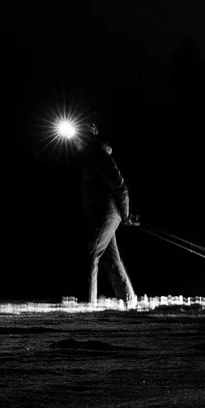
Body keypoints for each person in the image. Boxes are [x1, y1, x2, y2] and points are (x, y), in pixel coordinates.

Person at [74, 121, 139, 307]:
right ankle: (128, 300)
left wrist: (125, 215)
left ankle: (88, 305)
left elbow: (120, 187)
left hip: (105, 213)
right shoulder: (87, 156)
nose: (75, 142)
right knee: (110, 259)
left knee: (90, 253)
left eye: (78, 137)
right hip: (99, 214)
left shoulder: (97, 154)